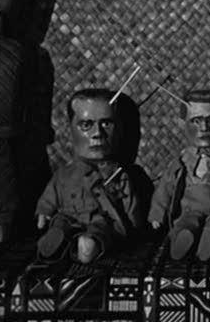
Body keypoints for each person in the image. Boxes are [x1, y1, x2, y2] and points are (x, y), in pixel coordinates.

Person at [35, 88, 142, 263]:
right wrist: (44, 212)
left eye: (106, 124)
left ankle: (89, 245)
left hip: (100, 220)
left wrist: (135, 226)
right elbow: (50, 196)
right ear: (70, 129)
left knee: (101, 230)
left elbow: (131, 207)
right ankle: (56, 241)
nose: (97, 133)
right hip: (68, 216)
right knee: (60, 222)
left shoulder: (118, 174)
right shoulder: (64, 174)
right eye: (86, 125)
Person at [148, 90, 210, 261]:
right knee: (186, 224)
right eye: (196, 121)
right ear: (183, 124)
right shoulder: (181, 163)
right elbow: (165, 189)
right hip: (188, 212)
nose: (204, 128)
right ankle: (182, 241)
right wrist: (157, 215)